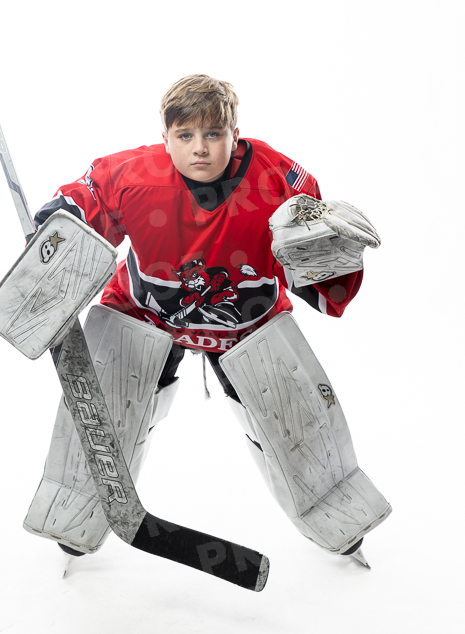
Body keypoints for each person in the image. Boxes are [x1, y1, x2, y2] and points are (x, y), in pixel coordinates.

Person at [24, 74, 390, 567]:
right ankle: (78, 522)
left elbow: (319, 272)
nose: (200, 147)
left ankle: (342, 526)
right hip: (145, 314)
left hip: (247, 325)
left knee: (297, 424)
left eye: (214, 134)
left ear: (235, 134)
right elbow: (85, 199)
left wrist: (327, 257)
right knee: (104, 418)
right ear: (165, 137)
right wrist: (52, 231)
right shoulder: (131, 174)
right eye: (186, 135)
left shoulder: (277, 177)